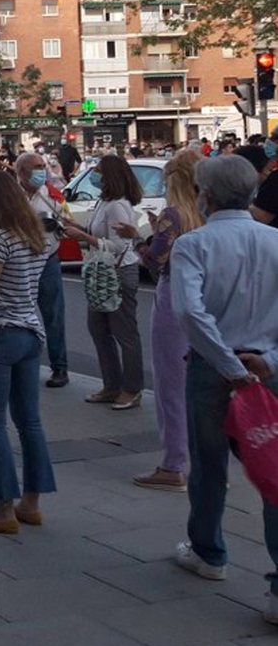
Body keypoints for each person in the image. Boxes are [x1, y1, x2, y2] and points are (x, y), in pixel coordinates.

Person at [167, 154, 278, 626]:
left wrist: (230, 365)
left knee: (209, 466)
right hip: (269, 368)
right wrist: (267, 362)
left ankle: (209, 551)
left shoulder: (193, 245)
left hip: (216, 367)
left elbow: (190, 314)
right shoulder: (275, 241)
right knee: (274, 472)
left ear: (204, 195)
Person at [0, 172, 55, 535]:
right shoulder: (38, 237)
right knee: (30, 421)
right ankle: (32, 502)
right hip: (31, 333)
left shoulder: (0, 240)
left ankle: (4, 508)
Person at [123, 147, 203, 491]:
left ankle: (173, 464)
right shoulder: (207, 213)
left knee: (171, 384)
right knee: (202, 387)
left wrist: (144, 238)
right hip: (206, 297)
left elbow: (156, 261)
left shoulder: (174, 214)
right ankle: (203, 462)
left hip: (174, 298)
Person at [13, 152, 84, 389]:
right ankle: (20, 365)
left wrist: (62, 224)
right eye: (36, 167)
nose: (42, 170)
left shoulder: (51, 194)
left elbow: (67, 219)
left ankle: (59, 368)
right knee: (19, 316)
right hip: (19, 262)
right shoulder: (10, 197)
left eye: (43, 166)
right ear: (22, 172)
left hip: (48, 262)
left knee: (54, 317)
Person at [83, 154, 146, 410]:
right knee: (98, 328)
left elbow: (119, 246)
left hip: (118, 272)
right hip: (102, 272)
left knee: (124, 332)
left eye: (98, 170)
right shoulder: (104, 202)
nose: (94, 175)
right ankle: (111, 384)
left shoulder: (117, 205)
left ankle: (132, 388)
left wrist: (83, 238)